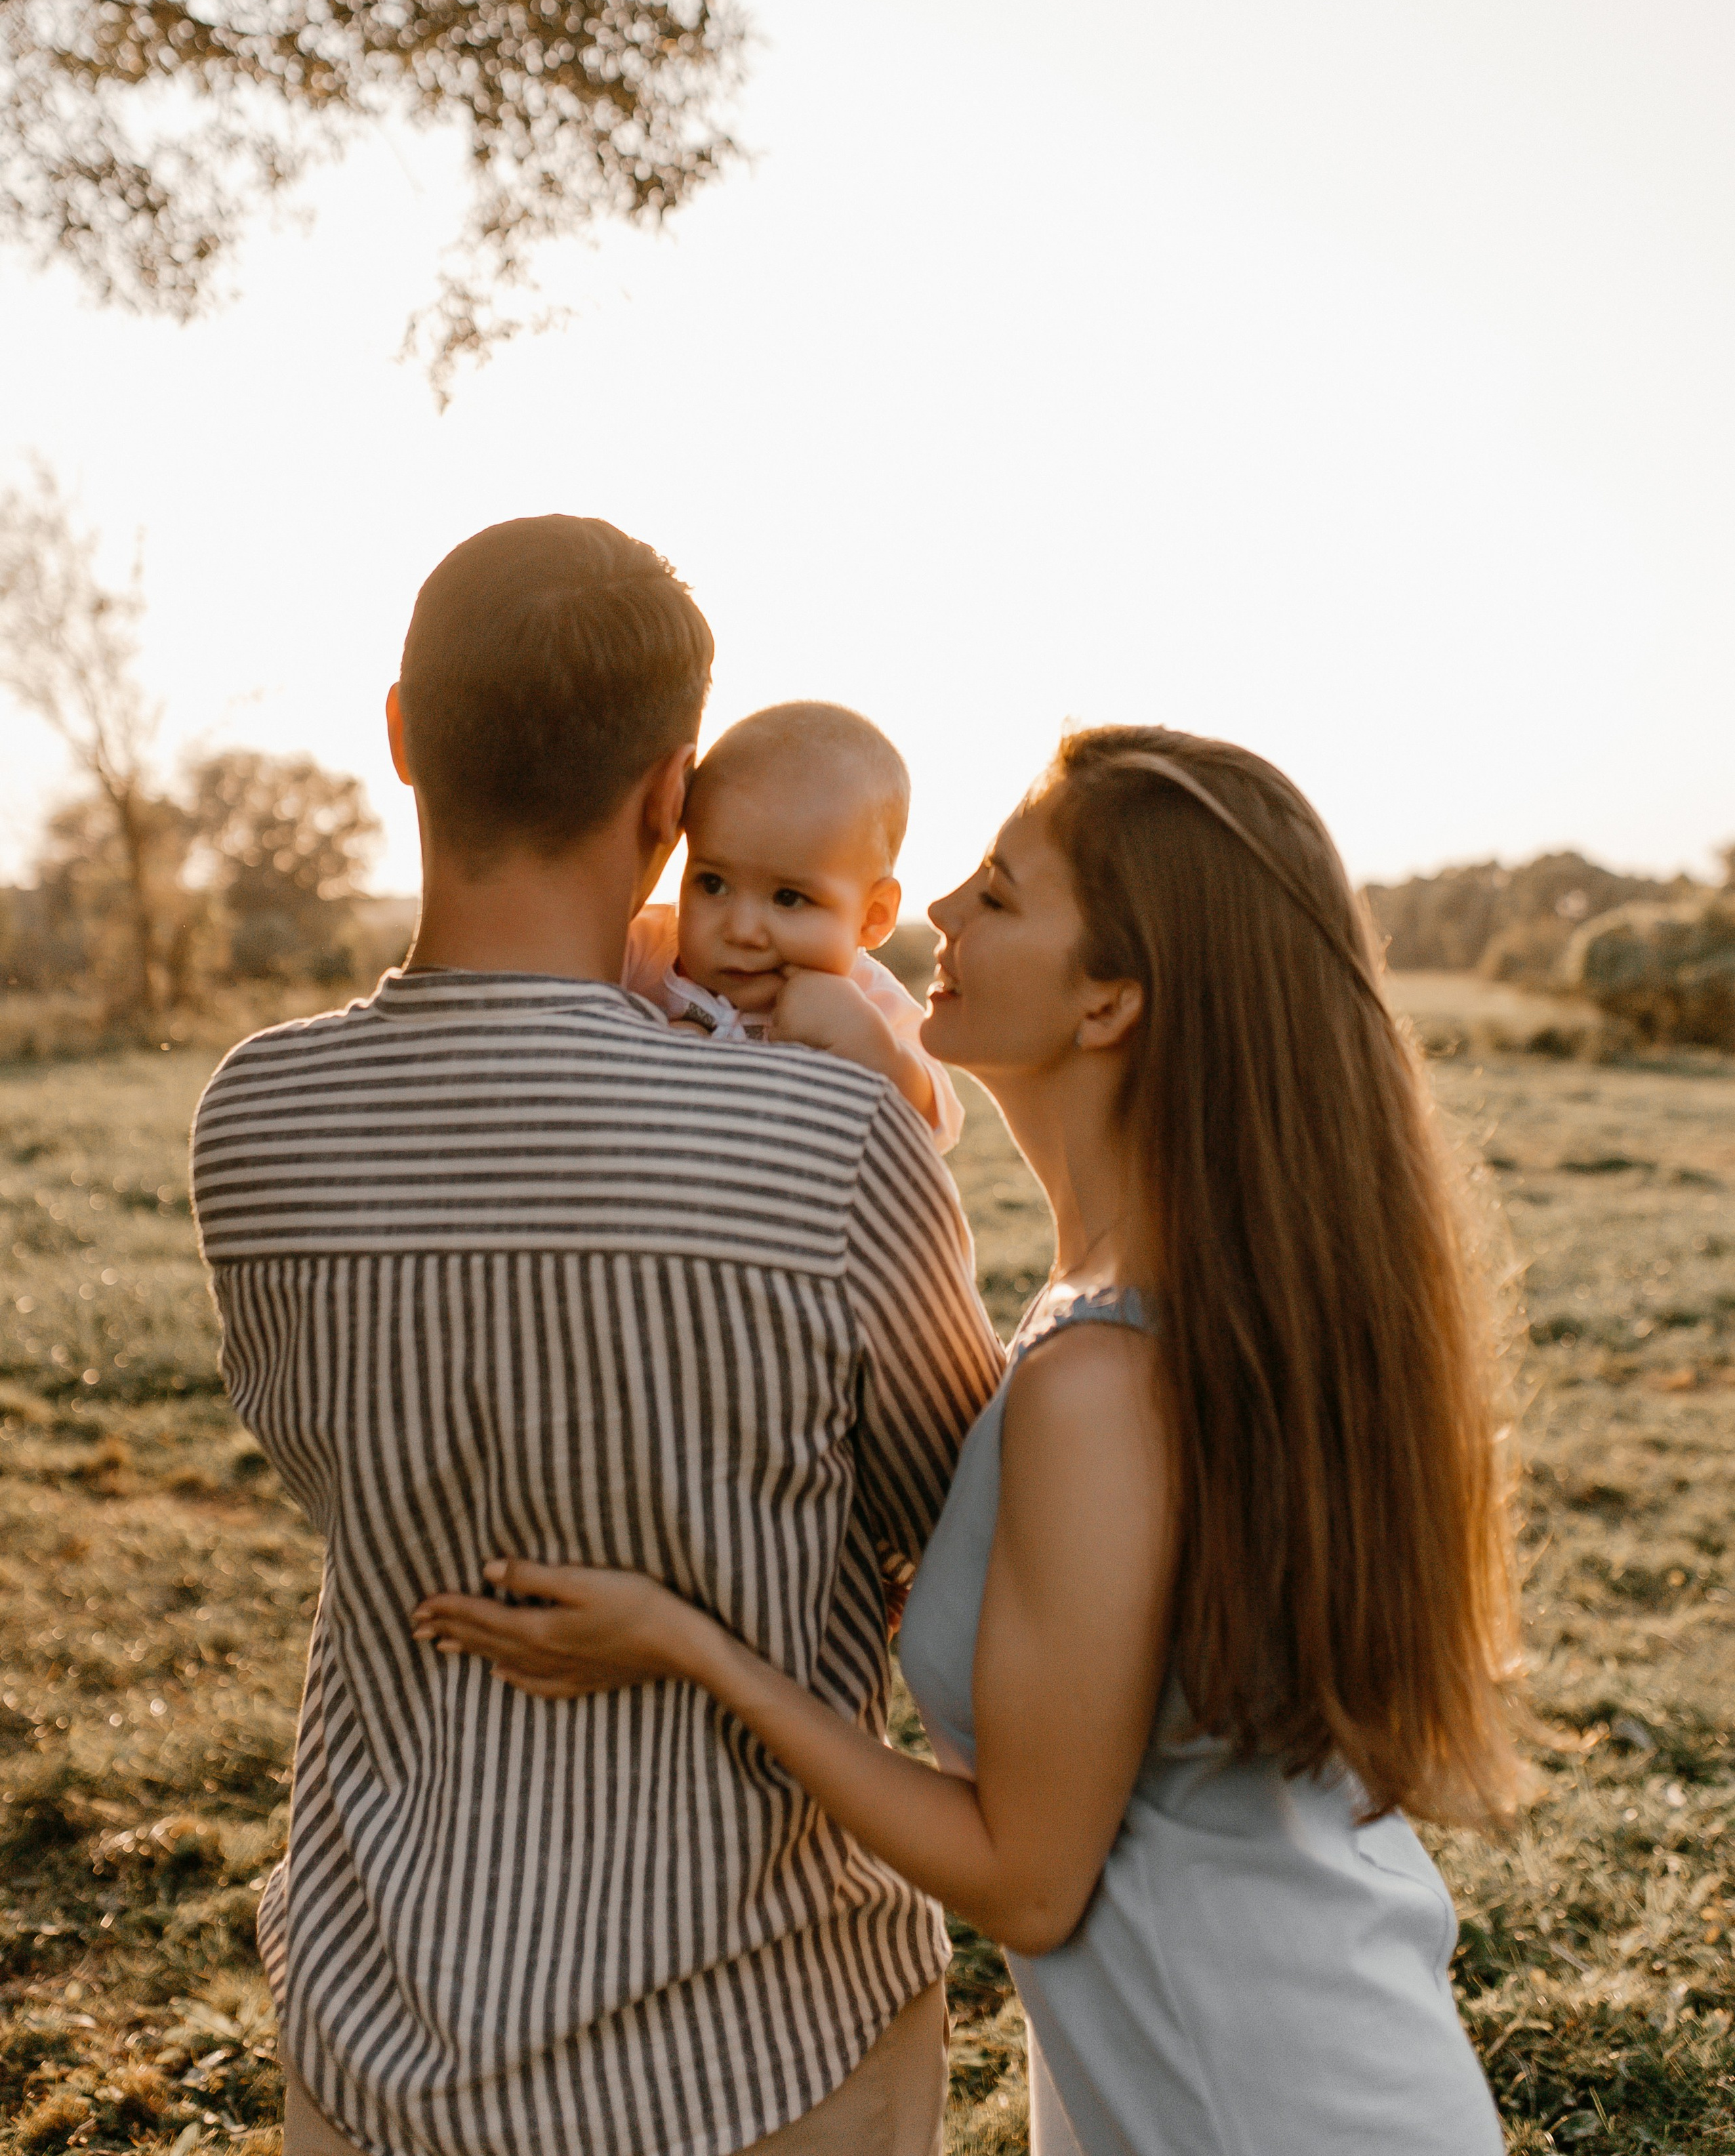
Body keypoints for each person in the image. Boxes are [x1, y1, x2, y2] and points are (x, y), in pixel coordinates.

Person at [419, 724, 1526, 2156]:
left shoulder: (1103, 1376)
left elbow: (1025, 1882)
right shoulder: (1159, 1311)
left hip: (1253, 2108)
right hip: (1284, 2070)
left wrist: (682, 1644)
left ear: (1111, 997)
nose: (937, 907)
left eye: (998, 894)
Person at [188, 515, 1006, 2156]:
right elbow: (969, 1547)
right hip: (764, 2034)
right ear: (667, 799)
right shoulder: (829, 1141)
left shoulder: (252, 1117)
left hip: (379, 2019)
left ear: (404, 733)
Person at [622, 699, 964, 1147]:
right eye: (713, 884)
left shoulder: (866, 1002)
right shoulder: (644, 951)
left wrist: (870, 1048)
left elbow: (938, 1124)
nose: (742, 931)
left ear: (873, 916)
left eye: (789, 898)